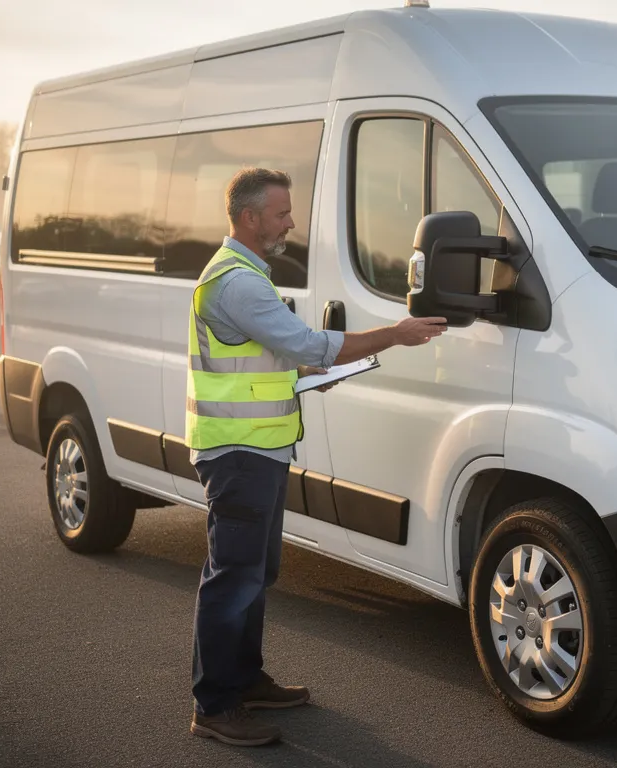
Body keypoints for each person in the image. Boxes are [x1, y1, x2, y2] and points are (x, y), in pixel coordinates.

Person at [187, 167, 447, 747]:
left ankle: (245, 681)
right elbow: (307, 342)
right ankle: (216, 705)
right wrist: (393, 335)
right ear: (250, 218)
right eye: (281, 213)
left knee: (255, 573)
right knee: (233, 578)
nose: (290, 222)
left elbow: (273, 358)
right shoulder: (237, 282)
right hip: (240, 454)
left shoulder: (245, 275)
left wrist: (304, 376)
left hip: (260, 449)